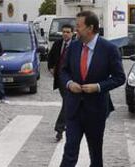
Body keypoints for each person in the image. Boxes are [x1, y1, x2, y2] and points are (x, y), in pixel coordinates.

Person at [59, 11, 126, 166]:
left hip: (96, 110)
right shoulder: (74, 46)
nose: (76, 30)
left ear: (90, 28)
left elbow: (119, 77)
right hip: (74, 108)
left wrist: (98, 87)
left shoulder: (109, 49)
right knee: (69, 151)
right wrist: (69, 83)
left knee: (95, 154)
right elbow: (63, 70)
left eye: (79, 26)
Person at [47, 24, 74, 142]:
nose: (65, 34)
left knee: (68, 102)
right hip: (60, 78)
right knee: (68, 102)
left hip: (72, 79)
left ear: (72, 33)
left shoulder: (77, 45)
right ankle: (67, 124)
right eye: (63, 32)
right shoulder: (58, 44)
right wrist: (51, 68)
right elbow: (51, 57)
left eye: (68, 32)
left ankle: (59, 128)